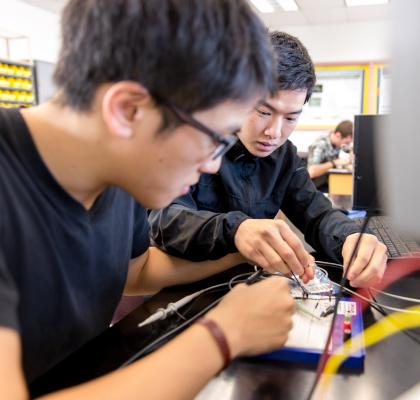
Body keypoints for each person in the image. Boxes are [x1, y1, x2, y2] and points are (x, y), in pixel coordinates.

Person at [0, 1, 298, 399]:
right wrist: (225, 335)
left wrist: (242, 250)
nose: (213, 166)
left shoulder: (120, 168)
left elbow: (135, 271)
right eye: (216, 139)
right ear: (127, 110)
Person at [149, 32, 387, 289]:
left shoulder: (285, 157)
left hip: (247, 286)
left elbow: (317, 214)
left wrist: (352, 236)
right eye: (263, 112)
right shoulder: (199, 140)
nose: (274, 132)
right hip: (182, 292)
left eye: (291, 118)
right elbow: (165, 220)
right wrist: (236, 230)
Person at [307, 119, 354, 191]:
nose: (346, 145)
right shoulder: (320, 144)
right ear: (338, 135)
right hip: (315, 188)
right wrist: (334, 163)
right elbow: (311, 172)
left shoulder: (336, 144)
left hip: (328, 184)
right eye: (346, 142)